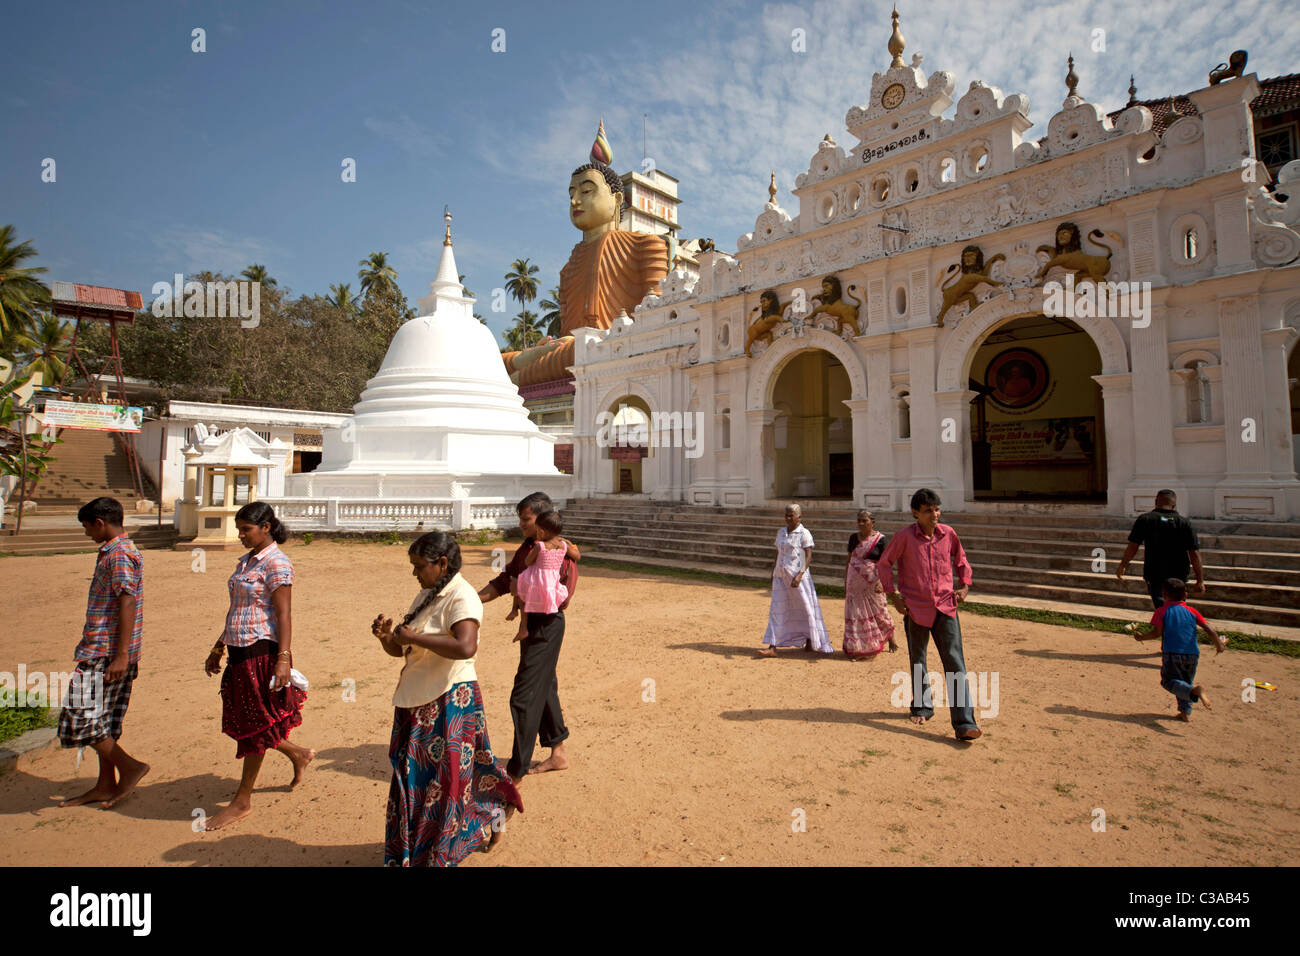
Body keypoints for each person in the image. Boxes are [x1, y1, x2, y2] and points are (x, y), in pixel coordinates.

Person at [373, 532, 523, 866]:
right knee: (418, 781)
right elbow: (404, 650)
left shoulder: (462, 597)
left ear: (442, 563)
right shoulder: (427, 596)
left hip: (450, 700)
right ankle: (429, 847)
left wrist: (414, 636)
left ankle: (440, 852)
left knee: (447, 783)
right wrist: (388, 638)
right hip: (416, 700)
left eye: (419, 566)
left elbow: (465, 646)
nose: (415, 573)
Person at [203, 501, 315, 831]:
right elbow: (237, 609)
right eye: (239, 530)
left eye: (246, 530)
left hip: (262, 653)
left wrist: (283, 659)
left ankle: (242, 800)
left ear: (266, 527)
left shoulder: (277, 564)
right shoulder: (245, 563)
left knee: (254, 725)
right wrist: (218, 645)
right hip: (238, 649)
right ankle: (297, 753)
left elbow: (283, 614)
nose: (240, 535)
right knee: (250, 720)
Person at [56, 497, 150, 809]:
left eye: (87, 527)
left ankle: (131, 768)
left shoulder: (120, 554)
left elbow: (127, 600)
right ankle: (105, 783)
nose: (87, 534)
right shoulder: (118, 551)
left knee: (79, 716)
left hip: (105, 651)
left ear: (100, 523)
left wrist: (120, 654)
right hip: (112, 651)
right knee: (104, 721)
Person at [478, 492, 578, 781]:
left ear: (543, 522)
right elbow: (503, 580)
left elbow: (566, 592)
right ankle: (558, 752)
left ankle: (516, 772)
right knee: (544, 684)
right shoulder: (527, 548)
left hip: (547, 625)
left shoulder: (557, 550)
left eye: (526, 519)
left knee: (523, 696)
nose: (521, 524)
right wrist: (469, 601)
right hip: (532, 624)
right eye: (520, 519)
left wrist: (523, 589)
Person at [876, 488, 982, 741]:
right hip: (916, 608)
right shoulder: (903, 538)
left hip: (946, 606)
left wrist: (965, 585)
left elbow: (961, 560)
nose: (934, 515)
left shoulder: (949, 534)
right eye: (927, 511)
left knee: (955, 663)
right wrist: (894, 596)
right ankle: (922, 707)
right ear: (916, 513)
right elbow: (884, 563)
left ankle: (965, 723)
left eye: (936, 509)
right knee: (919, 661)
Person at [1132, 577, 1226, 721]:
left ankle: (1195, 691)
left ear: (1164, 595)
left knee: (1169, 681)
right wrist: (1219, 644)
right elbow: (1209, 630)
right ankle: (1185, 713)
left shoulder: (1161, 611)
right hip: (1192, 655)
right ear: (1185, 595)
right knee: (1184, 683)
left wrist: (1141, 637)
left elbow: (1156, 633)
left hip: (1172, 654)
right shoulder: (1192, 611)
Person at [760, 503, 833, 657]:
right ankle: (772, 646)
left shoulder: (804, 533)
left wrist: (799, 575)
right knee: (777, 610)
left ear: (799, 517)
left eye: (791, 515)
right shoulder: (781, 532)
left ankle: (810, 640)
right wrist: (773, 572)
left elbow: (808, 556)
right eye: (786, 515)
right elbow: (778, 553)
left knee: (805, 608)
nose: (787, 518)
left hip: (797, 577)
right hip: (780, 576)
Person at [1116, 490, 1205, 608]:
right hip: (1178, 573)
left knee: (1161, 607)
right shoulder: (1184, 523)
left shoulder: (1145, 520)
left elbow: (1133, 546)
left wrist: (1123, 564)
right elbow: (1194, 553)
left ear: (1156, 502)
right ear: (1174, 505)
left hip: (1154, 572)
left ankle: (1164, 625)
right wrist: (1200, 580)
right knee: (1177, 606)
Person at [512, 510, 580, 643]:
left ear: (542, 532)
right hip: (552, 584)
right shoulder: (563, 546)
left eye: (537, 531)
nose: (536, 534)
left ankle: (522, 625)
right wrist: (569, 543)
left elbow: (527, 561)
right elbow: (577, 556)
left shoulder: (540, 546)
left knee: (520, 590)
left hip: (536, 580)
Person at [843, 510, 897, 660]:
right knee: (855, 615)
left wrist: (883, 582)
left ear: (872, 522)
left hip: (873, 583)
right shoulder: (853, 538)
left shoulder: (881, 540)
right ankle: (856, 649)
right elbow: (849, 560)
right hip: (854, 583)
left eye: (864, 521)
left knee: (879, 612)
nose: (861, 524)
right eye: (859, 520)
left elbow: (886, 564)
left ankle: (890, 637)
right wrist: (845, 580)